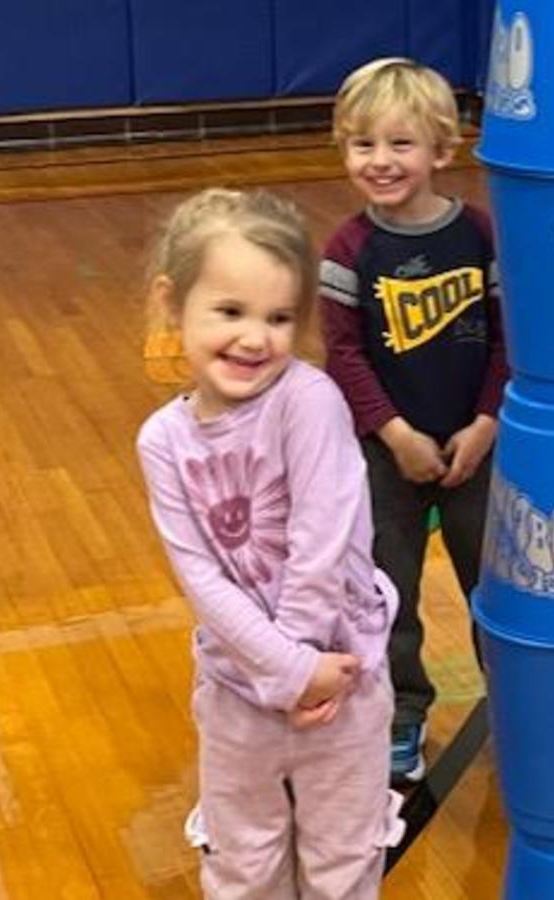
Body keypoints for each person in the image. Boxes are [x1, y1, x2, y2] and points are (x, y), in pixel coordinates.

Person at [136, 188, 403, 898]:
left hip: (340, 677)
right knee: (241, 863)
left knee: (343, 860)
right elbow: (201, 577)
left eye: (279, 318)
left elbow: (323, 542)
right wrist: (282, 672)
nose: (255, 339)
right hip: (236, 691)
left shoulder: (307, 400)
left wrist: (304, 668)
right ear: (173, 303)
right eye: (229, 312)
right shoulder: (161, 442)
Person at [319, 57, 508, 785]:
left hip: (476, 451)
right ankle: (401, 712)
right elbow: (342, 355)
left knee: (495, 589)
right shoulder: (347, 250)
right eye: (363, 144)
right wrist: (394, 434)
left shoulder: (482, 237)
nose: (381, 160)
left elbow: (508, 339)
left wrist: (487, 422)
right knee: (382, 598)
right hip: (383, 458)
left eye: (400, 143)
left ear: (441, 148)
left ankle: (515, 699)